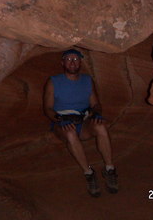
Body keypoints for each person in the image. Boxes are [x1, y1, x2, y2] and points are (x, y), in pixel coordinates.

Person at [43, 49, 118, 197]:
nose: (72, 62)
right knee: (70, 134)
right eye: (69, 59)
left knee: (101, 126)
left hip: (82, 120)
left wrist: (96, 113)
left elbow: (96, 104)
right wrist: (60, 119)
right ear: (62, 63)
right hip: (62, 121)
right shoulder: (54, 81)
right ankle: (89, 172)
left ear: (80, 62)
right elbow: (48, 108)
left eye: (76, 59)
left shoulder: (87, 80)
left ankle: (110, 169)